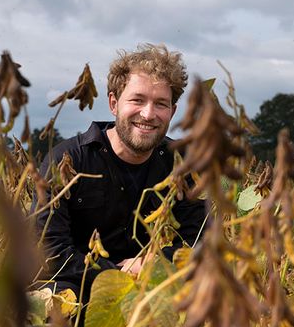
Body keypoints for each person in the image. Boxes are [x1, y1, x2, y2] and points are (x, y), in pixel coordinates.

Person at [35, 44, 206, 300]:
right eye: (137, 100)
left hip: (149, 287)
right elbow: (50, 248)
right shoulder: (68, 160)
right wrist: (115, 274)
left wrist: (153, 264)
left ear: (172, 111)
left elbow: (199, 241)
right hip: (75, 287)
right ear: (114, 103)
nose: (148, 114)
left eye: (160, 104)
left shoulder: (182, 164)